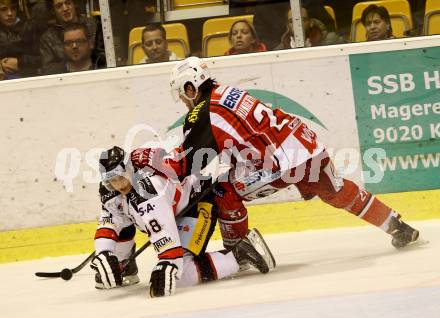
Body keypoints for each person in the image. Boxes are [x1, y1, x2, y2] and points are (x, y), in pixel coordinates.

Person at [132, 56, 420, 252]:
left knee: (222, 189)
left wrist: (145, 158)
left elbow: (183, 166)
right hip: (306, 145)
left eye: (182, 94)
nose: (183, 100)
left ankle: (237, 252)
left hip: (281, 163)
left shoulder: (202, 112)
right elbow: (242, 138)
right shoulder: (228, 92)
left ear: (190, 87)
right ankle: (396, 224)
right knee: (337, 189)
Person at [92, 146, 275, 297]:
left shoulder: (148, 191)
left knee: (179, 276)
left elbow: (169, 250)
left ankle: (241, 253)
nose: (119, 185)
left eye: (121, 177)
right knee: (121, 216)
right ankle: (124, 266)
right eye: (113, 181)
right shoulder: (112, 191)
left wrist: (168, 263)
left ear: (129, 169)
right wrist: (103, 253)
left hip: (196, 203)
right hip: (172, 208)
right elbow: (110, 220)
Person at [39, 0, 97, 74]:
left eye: (68, 3)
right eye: (59, 6)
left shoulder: (93, 25)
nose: (65, 8)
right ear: (53, 11)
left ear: (74, 4)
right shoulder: (48, 38)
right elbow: (49, 70)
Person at [0, 0, 41, 78]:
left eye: (13, 8)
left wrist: (19, 62)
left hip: (28, 75)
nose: (10, 13)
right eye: (3, 9)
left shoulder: (29, 28)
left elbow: (43, 59)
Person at [275, 7, 343, 50]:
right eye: (291, 21)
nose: (298, 25)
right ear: (287, 26)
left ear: (311, 23)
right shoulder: (279, 51)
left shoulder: (332, 42)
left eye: (303, 20)